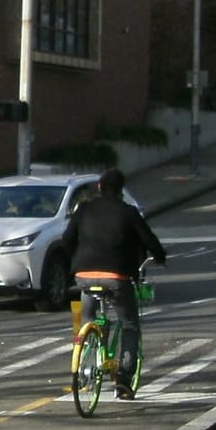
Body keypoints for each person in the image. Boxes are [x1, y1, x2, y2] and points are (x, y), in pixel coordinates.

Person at [60, 168, 167, 399]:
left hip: (85, 275)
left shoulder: (84, 209)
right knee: (129, 325)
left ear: (99, 187)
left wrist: (74, 263)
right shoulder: (128, 212)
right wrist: (160, 256)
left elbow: (67, 239)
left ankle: (91, 358)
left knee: (89, 317)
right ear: (121, 191)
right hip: (117, 277)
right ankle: (124, 381)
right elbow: (149, 240)